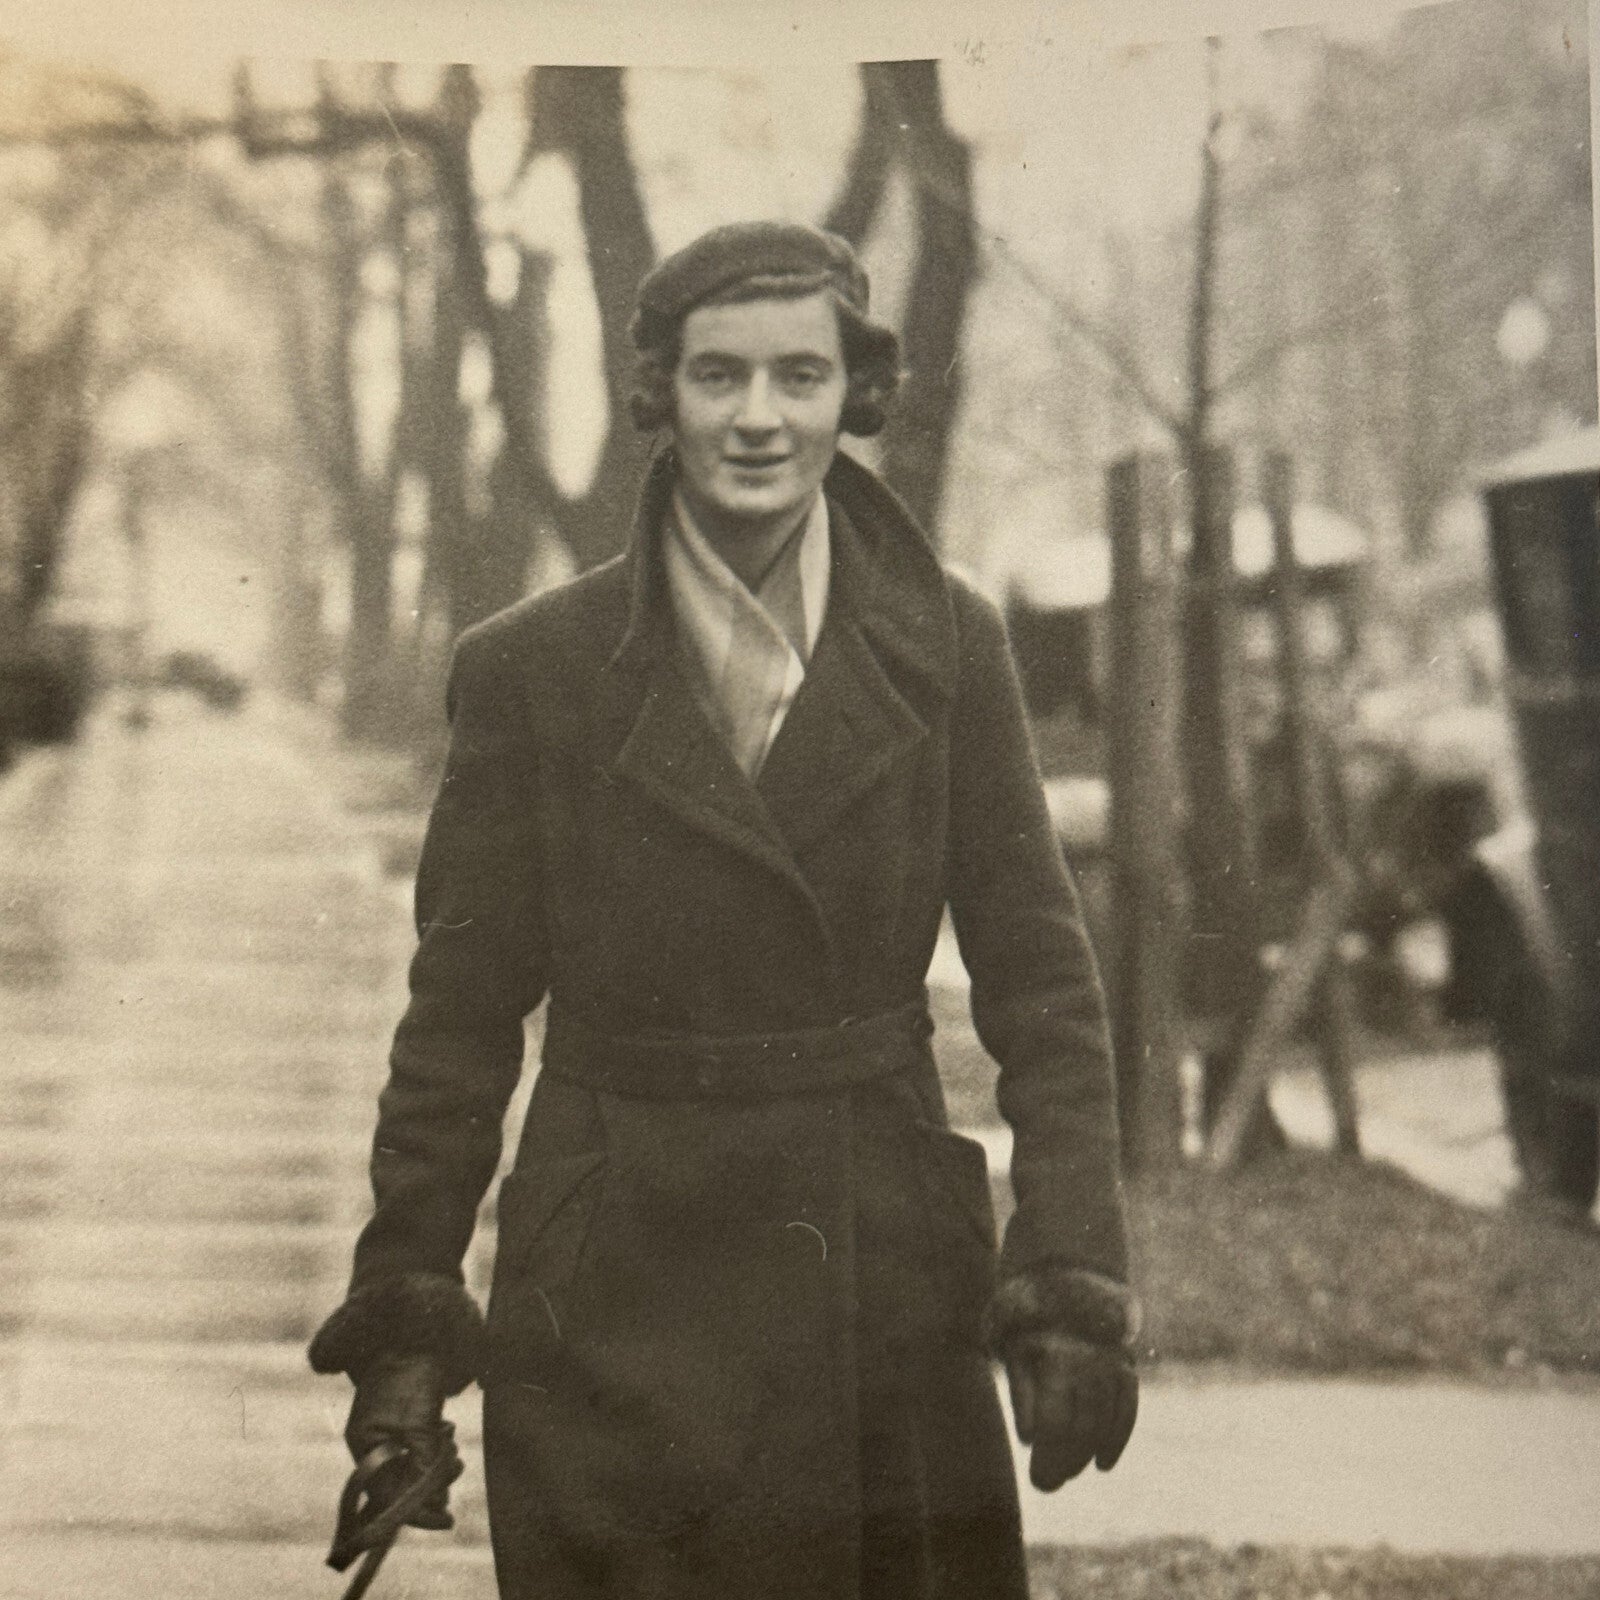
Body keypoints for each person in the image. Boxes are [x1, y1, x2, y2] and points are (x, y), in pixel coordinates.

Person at [308, 221, 1138, 1600]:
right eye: (719, 377)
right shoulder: (533, 671)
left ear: (854, 397)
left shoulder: (950, 643)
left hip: (878, 1273)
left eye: (801, 378)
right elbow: (455, 1024)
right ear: (661, 397)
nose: (760, 419)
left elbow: (1046, 997)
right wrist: (407, 1321)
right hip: (610, 1295)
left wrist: (1071, 1285)